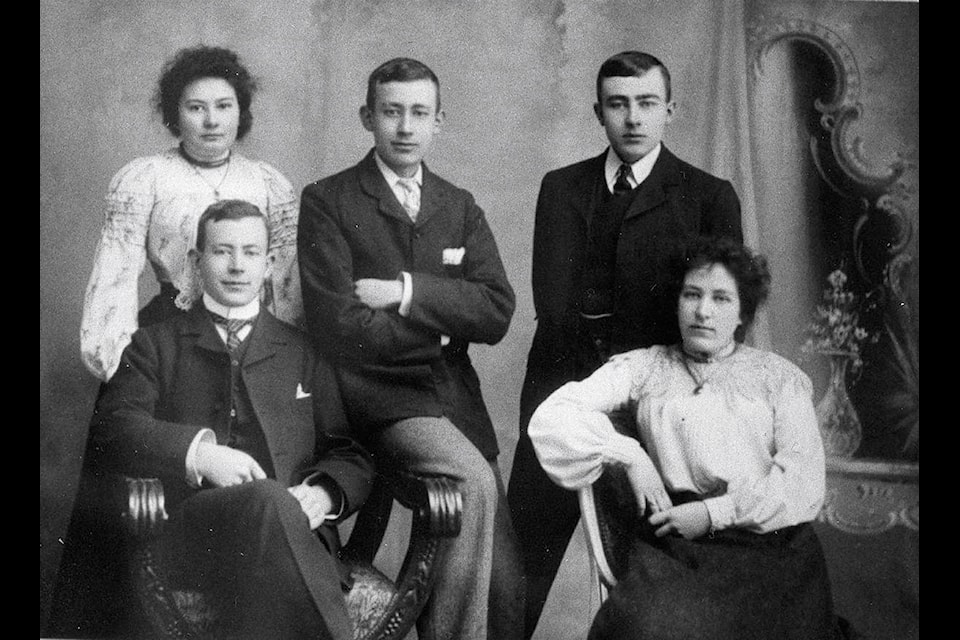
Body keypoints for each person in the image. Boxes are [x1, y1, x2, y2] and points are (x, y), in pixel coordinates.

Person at [507, 50, 744, 637]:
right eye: (618, 105)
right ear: (598, 112)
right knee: (515, 573)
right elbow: (554, 306)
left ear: (670, 110)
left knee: (651, 582)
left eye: (645, 104)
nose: (632, 119)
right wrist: (578, 409)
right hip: (562, 397)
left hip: (660, 411)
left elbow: (720, 320)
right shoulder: (561, 189)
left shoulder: (707, 196)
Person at [61, 200, 373, 640]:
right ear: (197, 261)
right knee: (268, 498)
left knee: (274, 506)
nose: (236, 266)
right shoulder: (155, 344)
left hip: (293, 538)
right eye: (222, 251)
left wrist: (323, 493)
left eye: (250, 253)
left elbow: (350, 453)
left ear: (268, 265)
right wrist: (200, 454)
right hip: (193, 538)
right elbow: (112, 429)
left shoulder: (303, 352)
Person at [298, 57, 522, 640]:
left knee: (506, 582)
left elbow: (497, 310)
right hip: (377, 394)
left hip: (454, 400)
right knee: (470, 487)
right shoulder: (329, 200)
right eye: (391, 112)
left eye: (419, 113)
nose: (404, 127)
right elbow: (337, 323)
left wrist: (405, 293)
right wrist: (444, 329)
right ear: (367, 116)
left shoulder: (459, 203)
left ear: (439, 122)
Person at [528, 236, 845, 640]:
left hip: (771, 546)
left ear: (742, 313)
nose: (703, 311)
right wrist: (629, 454)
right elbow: (552, 417)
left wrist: (714, 514)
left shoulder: (779, 379)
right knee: (647, 627)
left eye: (721, 299)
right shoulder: (644, 367)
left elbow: (803, 482)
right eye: (691, 294)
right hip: (677, 545)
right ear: (676, 301)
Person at [80, 44, 301, 383]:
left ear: (240, 113)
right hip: (170, 332)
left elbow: (285, 287)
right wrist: (120, 367)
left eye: (224, 106)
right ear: (175, 114)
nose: (211, 121)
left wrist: (282, 360)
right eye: (196, 108)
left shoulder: (268, 183)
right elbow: (115, 279)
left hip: (250, 337)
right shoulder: (146, 178)